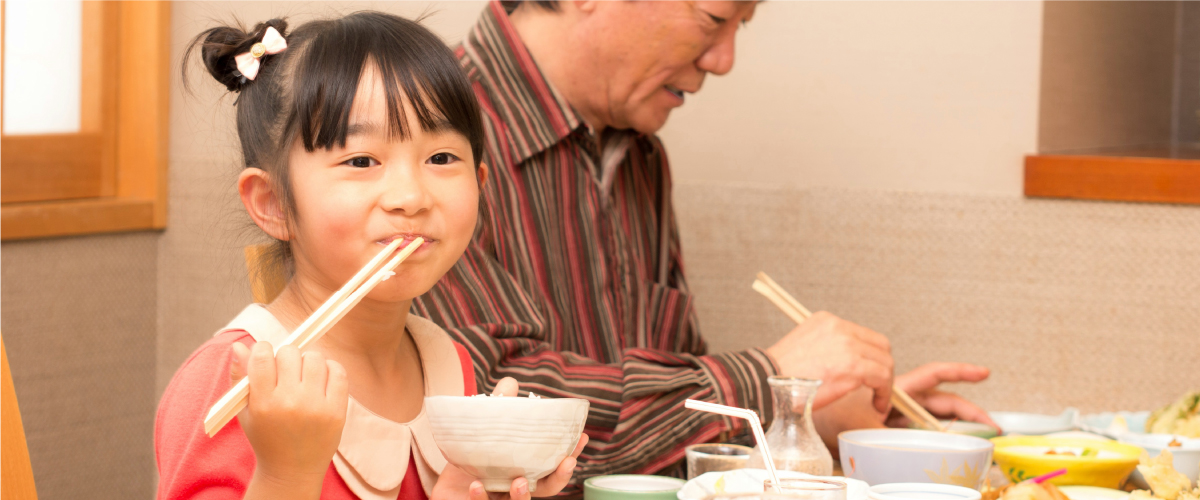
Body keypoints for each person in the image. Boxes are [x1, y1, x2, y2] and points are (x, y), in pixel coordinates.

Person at [411, 0, 995, 492]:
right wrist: (768, 375)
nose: (724, 60)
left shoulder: (637, 151)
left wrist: (803, 413)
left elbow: (665, 397)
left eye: (742, 26)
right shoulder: (429, 135)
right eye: (715, 17)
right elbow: (488, 410)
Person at [157, 12, 583, 500]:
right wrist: (285, 474)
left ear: (481, 185)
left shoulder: (447, 364)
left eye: (441, 158)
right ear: (274, 204)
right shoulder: (235, 381)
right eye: (361, 161)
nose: (410, 196)